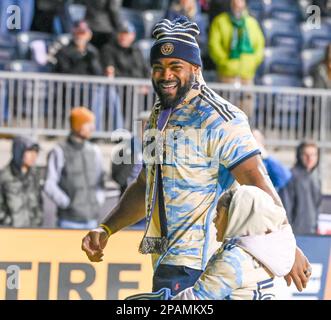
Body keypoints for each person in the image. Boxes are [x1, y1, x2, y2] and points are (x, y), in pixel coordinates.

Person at [82, 16, 311, 295]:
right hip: (167, 262)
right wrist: (106, 228)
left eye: (175, 66)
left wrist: (285, 242)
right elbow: (147, 185)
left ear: (196, 68)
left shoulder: (220, 117)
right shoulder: (158, 117)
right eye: (158, 67)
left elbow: (255, 179)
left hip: (203, 266)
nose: (165, 75)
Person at [126, 186, 299, 300]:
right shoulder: (269, 249)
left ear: (235, 217)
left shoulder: (234, 259)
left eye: (219, 214)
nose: (214, 221)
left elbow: (196, 300)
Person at [44, 107, 106, 229]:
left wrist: (98, 201)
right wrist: (67, 203)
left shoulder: (94, 151)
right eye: (89, 124)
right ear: (78, 126)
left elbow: (101, 180)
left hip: (92, 220)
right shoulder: (59, 151)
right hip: (68, 221)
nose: (93, 128)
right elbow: (49, 184)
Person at [208, 0, 265, 119]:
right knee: (224, 113)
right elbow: (214, 45)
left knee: (246, 113)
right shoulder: (220, 21)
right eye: (235, 3)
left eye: (240, 3)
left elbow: (259, 46)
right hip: (226, 75)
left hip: (246, 75)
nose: (238, 6)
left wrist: (252, 63)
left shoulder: (251, 23)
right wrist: (225, 63)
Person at [0, 136, 42, 228]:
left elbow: (39, 203)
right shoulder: (4, 176)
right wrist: (8, 222)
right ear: (19, 151)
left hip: (33, 231)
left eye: (36, 152)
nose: (34, 155)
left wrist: (38, 220)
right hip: (12, 232)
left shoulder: (35, 175)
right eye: (30, 151)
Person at [281, 141, 322, 235]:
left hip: (312, 234)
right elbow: (286, 207)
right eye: (306, 155)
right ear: (299, 156)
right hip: (295, 235)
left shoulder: (316, 177)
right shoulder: (291, 176)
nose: (310, 158)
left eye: (313, 155)